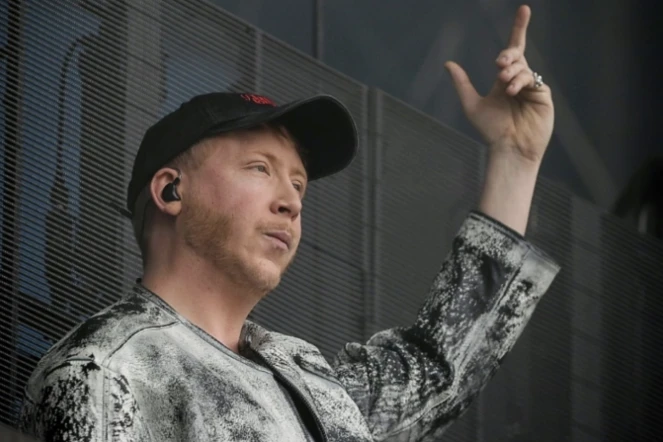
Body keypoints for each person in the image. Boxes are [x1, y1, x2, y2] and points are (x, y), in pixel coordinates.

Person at [18, 5, 559, 442]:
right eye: (260, 169)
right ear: (170, 190)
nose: (291, 202)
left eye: (298, 184)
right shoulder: (104, 373)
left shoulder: (306, 378)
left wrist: (515, 159)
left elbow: (439, 368)